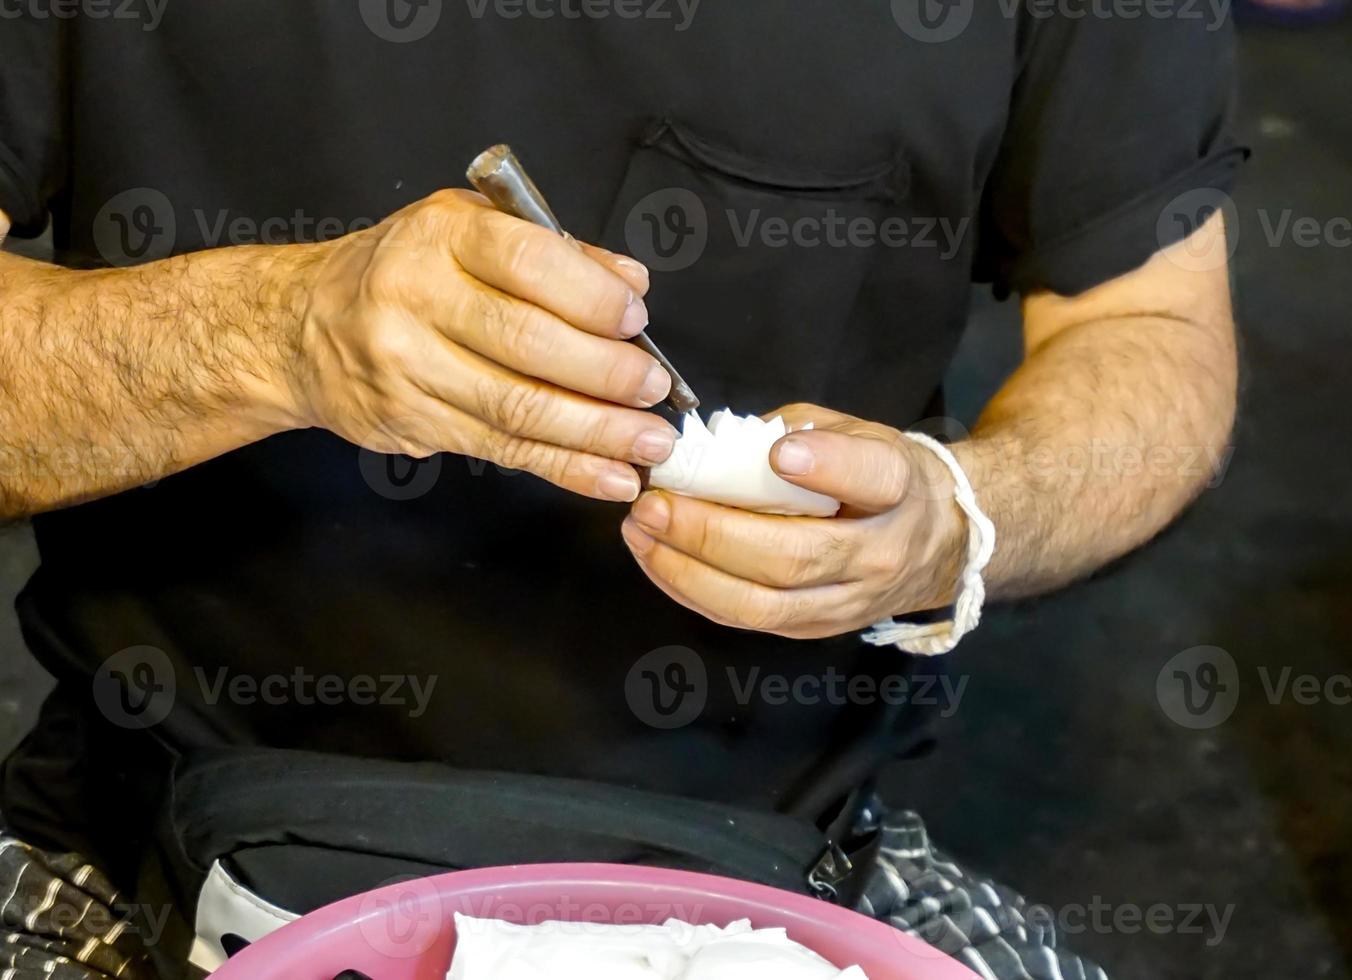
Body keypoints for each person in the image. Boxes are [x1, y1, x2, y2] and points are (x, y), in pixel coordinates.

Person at [0, 4, 1243, 978]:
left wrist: (962, 517)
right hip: (144, 830)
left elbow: (1148, 324)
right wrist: (269, 336)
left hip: (790, 860)